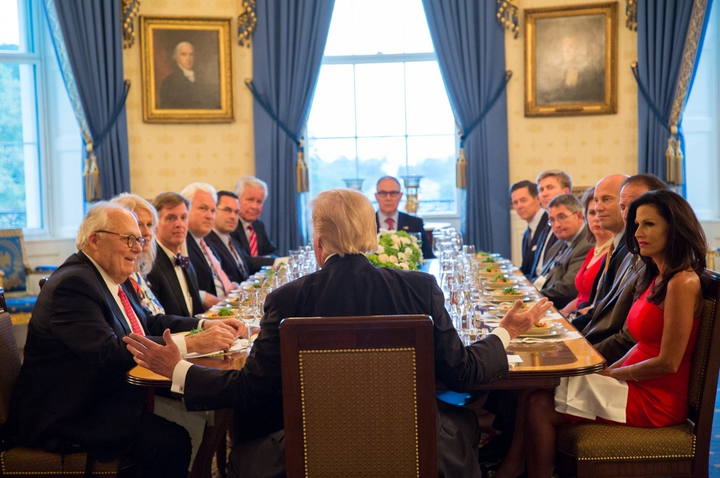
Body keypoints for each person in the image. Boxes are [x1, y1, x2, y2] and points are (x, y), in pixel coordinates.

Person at [123, 188, 553, 478]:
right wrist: (504, 333)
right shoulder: (418, 288)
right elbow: (462, 373)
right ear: (373, 238)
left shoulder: (289, 299)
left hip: (304, 452)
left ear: (318, 243)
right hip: (417, 447)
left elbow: (250, 389)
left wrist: (179, 369)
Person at [10, 202, 244, 478]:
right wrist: (193, 344)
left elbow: (151, 322)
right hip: (66, 413)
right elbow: (107, 351)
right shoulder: (73, 285)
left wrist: (206, 324)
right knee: (172, 441)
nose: (139, 247)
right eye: (129, 239)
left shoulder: (107, 276)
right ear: (95, 240)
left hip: (101, 395)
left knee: (192, 407)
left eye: (141, 239)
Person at [495, 189, 707, 478]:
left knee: (538, 401)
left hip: (656, 399)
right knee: (535, 388)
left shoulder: (682, 282)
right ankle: (517, 467)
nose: (638, 232)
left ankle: (524, 470)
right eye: (636, 224)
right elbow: (641, 343)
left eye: (649, 224)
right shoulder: (656, 275)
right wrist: (608, 369)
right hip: (635, 381)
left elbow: (668, 362)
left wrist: (612, 376)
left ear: (675, 227)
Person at [573, 173, 668, 363]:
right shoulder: (632, 254)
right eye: (623, 207)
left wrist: (584, 357)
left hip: (622, 365)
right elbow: (600, 310)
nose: (627, 214)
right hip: (604, 351)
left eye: (607, 200)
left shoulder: (663, 268)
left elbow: (639, 342)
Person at [148, 192, 205, 317]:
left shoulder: (184, 261)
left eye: (183, 217)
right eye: (171, 218)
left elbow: (197, 311)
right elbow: (158, 320)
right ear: (155, 224)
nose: (179, 224)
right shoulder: (151, 265)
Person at [559, 187, 614, 316]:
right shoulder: (593, 251)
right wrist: (562, 313)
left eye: (599, 212)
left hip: (590, 320)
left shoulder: (614, 252)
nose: (596, 218)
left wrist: (571, 317)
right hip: (576, 315)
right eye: (591, 213)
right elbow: (581, 296)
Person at [181, 183, 238, 306]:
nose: (209, 216)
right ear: (185, 209)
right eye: (203, 208)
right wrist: (201, 296)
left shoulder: (205, 241)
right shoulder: (181, 242)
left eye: (213, 210)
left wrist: (229, 286)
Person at [534, 194, 593, 309]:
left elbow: (568, 288)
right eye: (552, 220)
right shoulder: (561, 242)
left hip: (559, 307)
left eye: (561, 217)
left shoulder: (587, 244)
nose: (556, 225)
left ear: (579, 216)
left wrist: (533, 296)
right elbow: (543, 276)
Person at [111, 193, 165, 316]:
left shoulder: (137, 274)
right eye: (139, 225)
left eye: (149, 225)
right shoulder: (120, 276)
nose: (147, 232)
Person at [374, 176, 434, 259]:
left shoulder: (415, 223)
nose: (388, 198)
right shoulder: (365, 223)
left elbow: (428, 257)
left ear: (400, 196)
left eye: (393, 193)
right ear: (376, 196)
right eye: (383, 193)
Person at [231, 176, 278, 273]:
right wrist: (277, 261)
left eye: (259, 202)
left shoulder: (258, 224)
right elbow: (245, 260)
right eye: (250, 200)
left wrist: (273, 259)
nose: (254, 206)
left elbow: (273, 251)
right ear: (237, 200)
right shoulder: (231, 224)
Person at [531, 170, 572, 279]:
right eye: (541, 189)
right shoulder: (545, 224)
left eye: (550, 188)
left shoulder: (570, 226)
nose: (544, 194)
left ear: (566, 192)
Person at [158, 41, 220, 110]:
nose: (188, 58)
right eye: (183, 54)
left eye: (191, 54)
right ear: (176, 57)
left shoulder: (202, 79)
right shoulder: (168, 82)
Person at [205, 190, 250, 284]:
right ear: (214, 210)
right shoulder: (206, 242)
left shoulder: (233, 241)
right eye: (227, 210)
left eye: (236, 212)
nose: (233, 216)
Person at [509, 180, 549, 278]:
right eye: (515, 202)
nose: (519, 206)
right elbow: (526, 268)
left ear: (537, 199)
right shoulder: (528, 232)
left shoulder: (549, 224)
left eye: (523, 200)